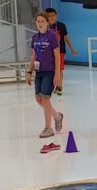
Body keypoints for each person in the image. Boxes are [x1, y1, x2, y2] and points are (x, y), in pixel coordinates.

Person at [26, 12, 63, 143]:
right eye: (38, 21)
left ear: (47, 22)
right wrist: (29, 71)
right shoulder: (35, 37)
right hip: (39, 72)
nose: (40, 23)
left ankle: (48, 128)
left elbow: (57, 56)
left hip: (49, 71)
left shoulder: (52, 36)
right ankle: (57, 116)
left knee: (45, 99)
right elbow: (33, 56)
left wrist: (57, 74)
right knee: (38, 99)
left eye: (42, 21)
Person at [45, 8, 77, 95]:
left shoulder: (61, 25)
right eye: (49, 16)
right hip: (48, 51)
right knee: (50, 69)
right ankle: (51, 86)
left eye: (53, 15)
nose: (51, 17)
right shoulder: (45, 26)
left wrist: (72, 49)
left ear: (56, 16)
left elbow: (66, 37)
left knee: (59, 68)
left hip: (60, 51)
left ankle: (59, 87)